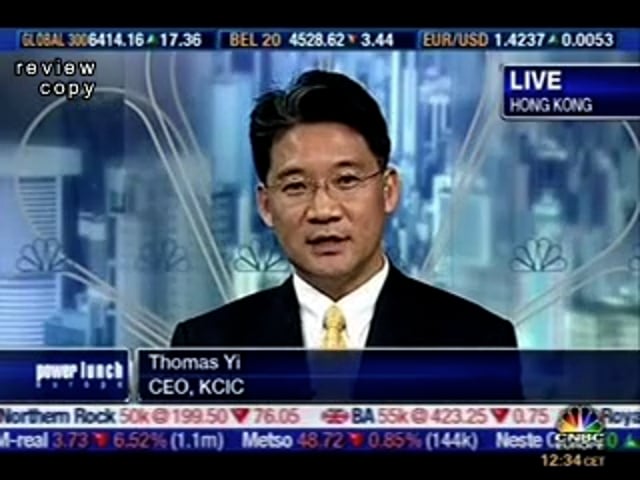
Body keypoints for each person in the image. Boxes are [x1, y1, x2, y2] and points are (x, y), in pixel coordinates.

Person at [170, 69, 519, 351]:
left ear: (388, 191)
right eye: (296, 186)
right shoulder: (203, 346)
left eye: (347, 180)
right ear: (266, 206)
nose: (323, 210)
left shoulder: (478, 342)